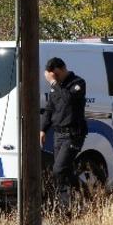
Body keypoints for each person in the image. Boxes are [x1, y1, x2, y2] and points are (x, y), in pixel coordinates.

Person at [39, 57, 88, 198]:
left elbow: (68, 101)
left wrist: (54, 83)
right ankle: (76, 199)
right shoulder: (56, 88)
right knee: (64, 171)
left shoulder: (78, 83)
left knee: (59, 169)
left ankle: (75, 200)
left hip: (73, 135)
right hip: (58, 135)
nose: (54, 79)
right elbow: (49, 109)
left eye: (55, 75)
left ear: (61, 69)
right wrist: (43, 129)